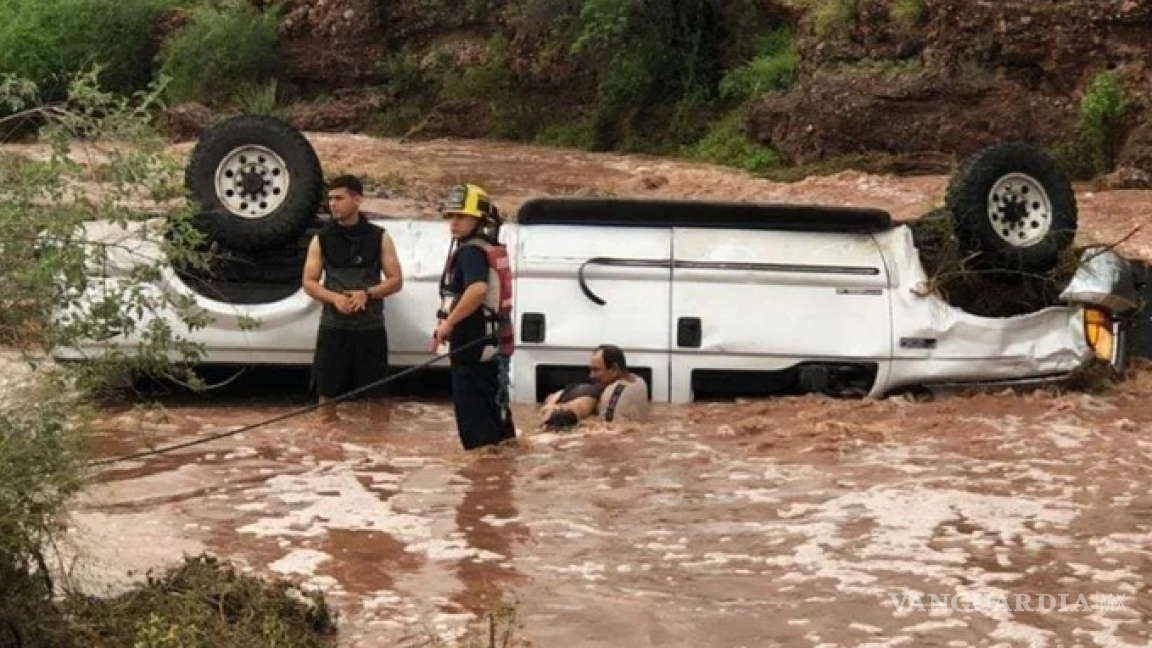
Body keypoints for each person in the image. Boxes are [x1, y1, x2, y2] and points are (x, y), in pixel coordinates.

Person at [302, 174, 403, 421]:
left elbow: (395, 280)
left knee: (378, 400)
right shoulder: (321, 239)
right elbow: (308, 282)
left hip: (370, 329)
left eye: (339, 198)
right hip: (333, 328)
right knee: (326, 399)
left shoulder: (380, 237)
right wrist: (333, 298)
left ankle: (377, 449)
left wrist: (367, 293)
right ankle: (327, 453)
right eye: (330, 199)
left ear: (356, 200)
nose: (333, 204)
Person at [434, 183, 517, 451]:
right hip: (491, 344)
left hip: (472, 344)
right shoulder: (489, 247)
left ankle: (482, 486)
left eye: (461, 217)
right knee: (497, 418)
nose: (453, 223)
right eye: (451, 216)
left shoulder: (470, 252)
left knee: (476, 431)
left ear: (478, 219)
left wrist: (448, 323)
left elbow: (477, 289)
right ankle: (498, 482)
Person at [539, 344, 650, 430]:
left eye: (596, 370)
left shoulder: (614, 395)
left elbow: (610, 435)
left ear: (614, 369)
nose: (591, 375)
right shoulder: (638, 381)